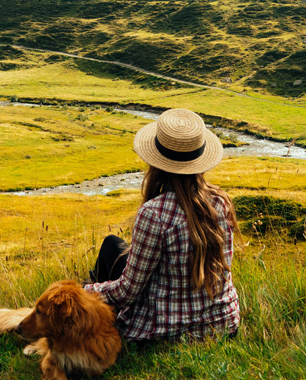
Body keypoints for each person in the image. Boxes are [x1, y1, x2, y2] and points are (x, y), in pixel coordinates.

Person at [82, 108, 240, 341]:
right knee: (114, 246)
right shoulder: (220, 201)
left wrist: (84, 292)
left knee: (110, 247)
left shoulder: (154, 213)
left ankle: (93, 323)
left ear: (157, 163)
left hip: (168, 330)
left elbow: (127, 291)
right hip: (223, 323)